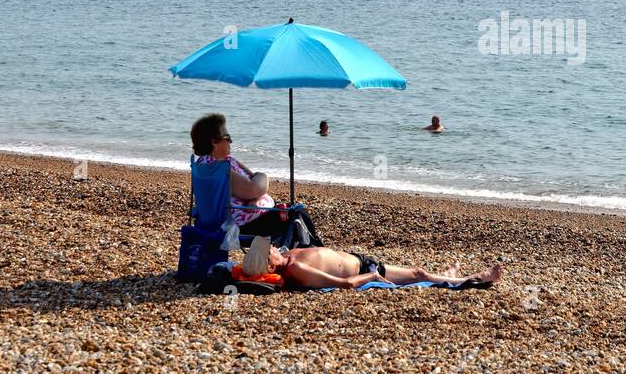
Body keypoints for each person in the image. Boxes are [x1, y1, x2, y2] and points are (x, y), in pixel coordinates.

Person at [190, 113, 320, 243]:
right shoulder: (219, 168)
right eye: (227, 137)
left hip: (217, 221)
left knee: (288, 210)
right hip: (239, 225)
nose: (231, 141)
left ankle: (305, 254)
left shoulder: (202, 165)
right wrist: (263, 176)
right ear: (214, 142)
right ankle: (311, 253)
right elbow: (255, 186)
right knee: (296, 213)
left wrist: (255, 199)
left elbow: (253, 188)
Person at [267, 242, 503, 290]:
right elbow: (346, 284)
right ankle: (475, 279)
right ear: (270, 267)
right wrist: (371, 278)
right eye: (268, 251)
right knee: (417, 274)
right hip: (362, 270)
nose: (272, 247)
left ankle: (444, 276)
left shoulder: (289, 255)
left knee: (419, 273)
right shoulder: (295, 268)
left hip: (359, 259)